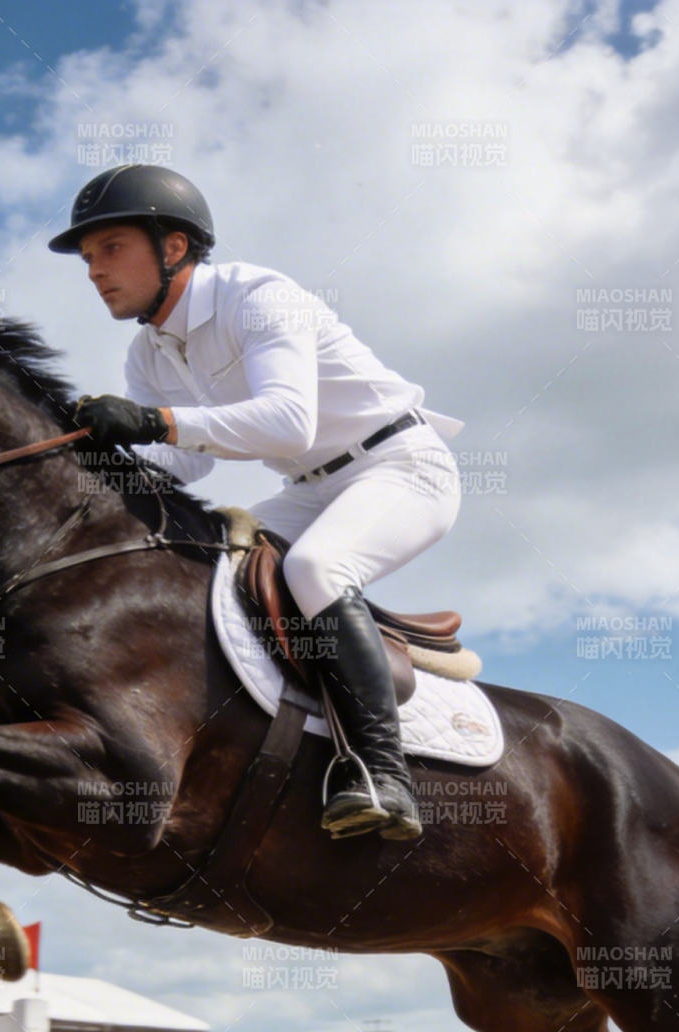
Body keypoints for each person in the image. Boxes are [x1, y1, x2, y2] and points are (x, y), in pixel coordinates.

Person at [51, 164, 464, 842]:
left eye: (111, 248)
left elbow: (287, 424)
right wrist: (86, 456)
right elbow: (185, 459)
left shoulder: (257, 296)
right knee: (200, 572)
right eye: (89, 258)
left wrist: (152, 422)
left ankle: (381, 775)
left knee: (316, 571)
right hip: (311, 489)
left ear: (174, 247)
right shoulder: (148, 350)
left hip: (401, 466)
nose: (95, 270)